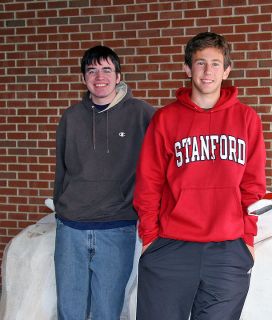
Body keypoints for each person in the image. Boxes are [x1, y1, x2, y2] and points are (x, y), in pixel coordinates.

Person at [134, 32, 267, 320]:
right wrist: (149, 238)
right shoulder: (165, 119)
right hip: (171, 246)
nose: (208, 72)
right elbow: (149, 183)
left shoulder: (246, 119)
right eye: (200, 63)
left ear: (227, 70)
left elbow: (253, 186)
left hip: (228, 248)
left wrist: (247, 238)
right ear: (187, 68)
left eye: (216, 64)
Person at [53, 45, 154, 320]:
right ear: (84, 78)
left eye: (107, 69)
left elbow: (159, 164)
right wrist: (63, 209)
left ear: (118, 76)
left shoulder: (143, 115)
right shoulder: (71, 117)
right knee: (69, 311)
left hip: (116, 227)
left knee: (106, 312)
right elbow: (61, 170)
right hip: (71, 229)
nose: (100, 77)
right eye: (92, 70)